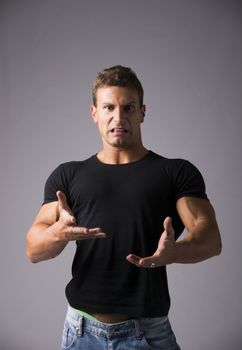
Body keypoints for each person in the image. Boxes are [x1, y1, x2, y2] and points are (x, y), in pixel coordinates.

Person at [26, 65, 222, 350]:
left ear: (142, 112)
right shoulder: (67, 176)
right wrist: (58, 233)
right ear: (94, 113)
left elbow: (210, 240)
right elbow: (33, 249)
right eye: (108, 108)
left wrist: (174, 252)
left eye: (128, 107)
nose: (118, 118)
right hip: (81, 332)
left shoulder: (175, 172)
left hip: (147, 334)